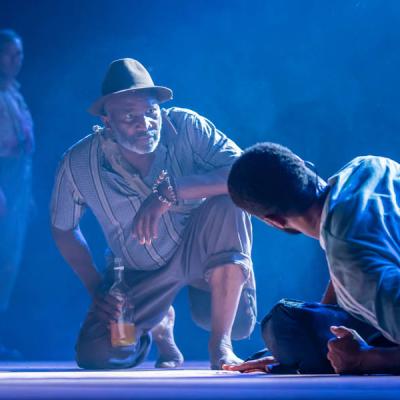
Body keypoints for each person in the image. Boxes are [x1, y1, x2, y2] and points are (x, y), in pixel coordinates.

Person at [50, 58, 256, 370]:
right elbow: (63, 229)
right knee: (100, 354)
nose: (145, 124)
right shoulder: (80, 163)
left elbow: (247, 172)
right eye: (129, 116)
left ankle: (221, 342)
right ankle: (160, 325)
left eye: (150, 112)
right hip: (139, 273)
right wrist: (97, 290)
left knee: (231, 199)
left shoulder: (187, 127)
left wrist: (172, 191)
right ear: (107, 121)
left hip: (203, 258)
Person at [225, 142, 400, 374]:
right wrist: (318, 324)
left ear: (273, 221)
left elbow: (353, 262)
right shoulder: (370, 166)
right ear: (305, 166)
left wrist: (368, 358)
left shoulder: (352, 260)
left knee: (284, 327)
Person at [0, 29, 34, 359]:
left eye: (19, 54)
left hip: (18, 181)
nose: (16, 60)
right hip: (3, 177)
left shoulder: (15, 93)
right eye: (9, 53)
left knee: (9, 261)